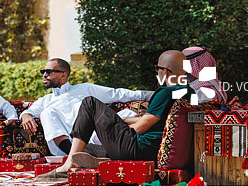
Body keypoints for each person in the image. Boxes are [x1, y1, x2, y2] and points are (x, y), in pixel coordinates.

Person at [38, 50, 193, 179]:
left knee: (89, 103)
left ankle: (69, 164)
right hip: (149, 150)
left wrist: (116, 132)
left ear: (164, 72)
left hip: (138, 149)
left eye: (156, 68)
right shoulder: (188, 92)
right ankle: (97, 161)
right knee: (87, 148)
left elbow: (141, 127)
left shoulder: (165, 92)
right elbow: (154, 119)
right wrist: (121, 121)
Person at [20, 58, 152, 156]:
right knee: (46, 113)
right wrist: (25, 115)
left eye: (48, 72)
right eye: (43, 71)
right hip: (69, 145)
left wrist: (155, 94)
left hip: (97, 137)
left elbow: (117, 94)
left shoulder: (84, 88)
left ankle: (90, 154)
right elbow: (30, 111)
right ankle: (75, 154)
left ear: (63, 75)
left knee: (125, 114)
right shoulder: (46, 100)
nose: (44, 75)